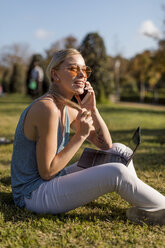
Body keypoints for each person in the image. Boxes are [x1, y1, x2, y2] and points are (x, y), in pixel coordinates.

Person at [11, 48, 165, 225]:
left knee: (121, 150)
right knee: (117, 172)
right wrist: (80, 136)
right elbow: (47, 172)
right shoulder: (47, 108)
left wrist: (93, 109)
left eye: (84, 70)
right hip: (33, 195)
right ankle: (160, 208)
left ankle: (146, 205)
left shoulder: (66, 107)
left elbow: (106, 145)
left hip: (53, 180)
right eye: (73, 69)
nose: (82, 75)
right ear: (55, 75)